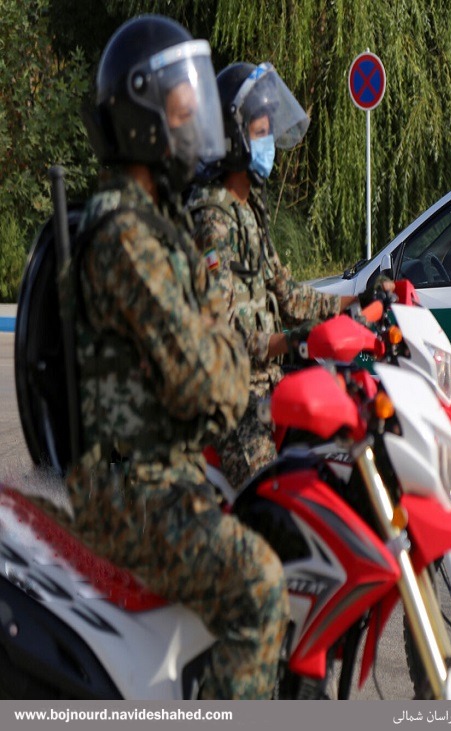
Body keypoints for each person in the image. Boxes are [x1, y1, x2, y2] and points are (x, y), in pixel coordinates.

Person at [58, 16, 288, 699]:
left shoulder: (160, 220)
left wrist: (229, 351)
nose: (195, 127)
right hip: (133, 492)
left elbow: (222, 343)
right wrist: (230, 357)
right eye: (183, 112)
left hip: (170, 475)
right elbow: (206, 381)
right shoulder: (127, 236)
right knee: (260, 586)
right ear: (142, 122)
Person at [188, 62, 387, 486]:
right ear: (234, 139)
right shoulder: (212, 219)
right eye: (260, 133)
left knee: (342, 438)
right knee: (269, 492)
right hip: (230, 395)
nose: (270, 143)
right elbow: (224, 336)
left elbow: (289, 294)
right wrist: (295, 341)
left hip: (267, 381)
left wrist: (358, 301)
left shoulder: (249, 209)